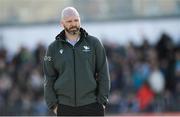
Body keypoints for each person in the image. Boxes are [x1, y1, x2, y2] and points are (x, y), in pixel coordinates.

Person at [43, 6, 110, 116]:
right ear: (62, 23)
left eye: (76, 20)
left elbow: (103, 73)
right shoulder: (52, 48)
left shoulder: (94, 43)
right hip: (65, 107)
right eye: (69, 21)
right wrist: (53, 105)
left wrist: (102, 102)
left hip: (92, 105)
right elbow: (48, 78)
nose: (73, 24)